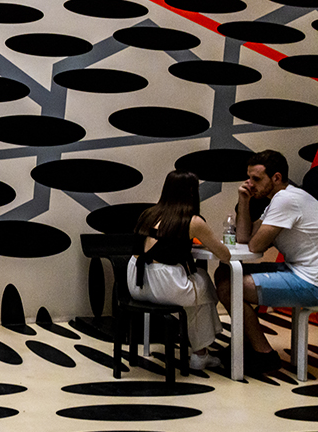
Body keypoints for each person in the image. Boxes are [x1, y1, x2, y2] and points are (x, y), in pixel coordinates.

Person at [215, 150, 318, 373]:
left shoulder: (286, 200)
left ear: (276, 178)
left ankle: (263, 354)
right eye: (249, 178)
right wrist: (244, 201)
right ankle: (246, 344)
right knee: (224, 273)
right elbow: (244, 237)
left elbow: (256, 246)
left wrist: (256, 237)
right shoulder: (279, 199)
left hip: (311, 282)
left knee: (229, 285)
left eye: (256, 179)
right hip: (297, 270)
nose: (250, 184)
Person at [129, 170, 230, 371]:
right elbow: (224, 255)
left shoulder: (149, 214)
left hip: (136, 282)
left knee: (198, 288)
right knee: (203, 283)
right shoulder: (192, 220)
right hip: (164, 286)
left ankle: (200, 352)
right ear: (193, 192)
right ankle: (200, 353)